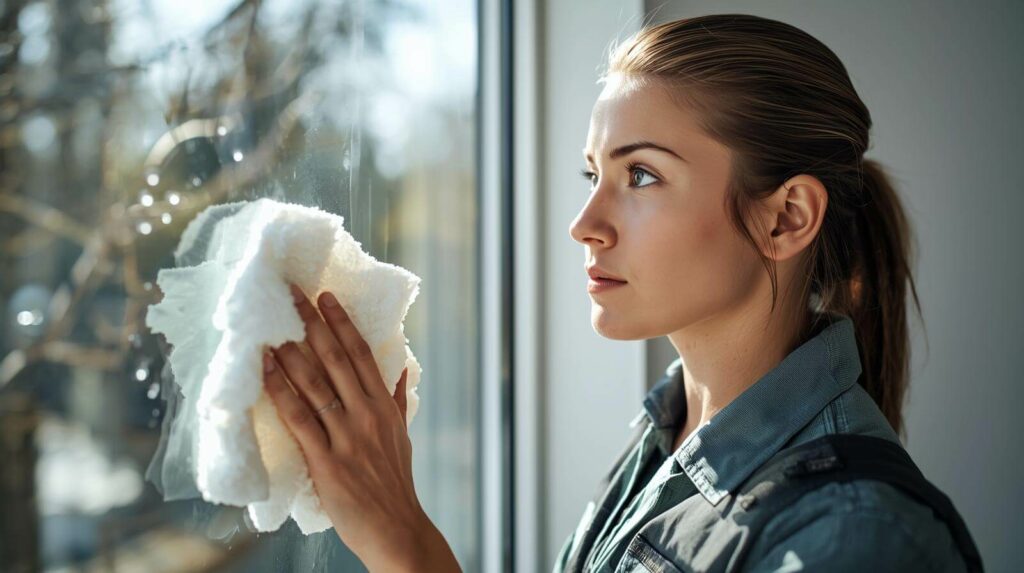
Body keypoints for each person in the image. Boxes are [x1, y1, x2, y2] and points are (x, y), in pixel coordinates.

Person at [259, 12, 978, 573]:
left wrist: (404, 541)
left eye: (640, 176)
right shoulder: (661, 443)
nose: (583, 225)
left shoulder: (859, 536)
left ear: (786, 217)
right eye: (591, 174)